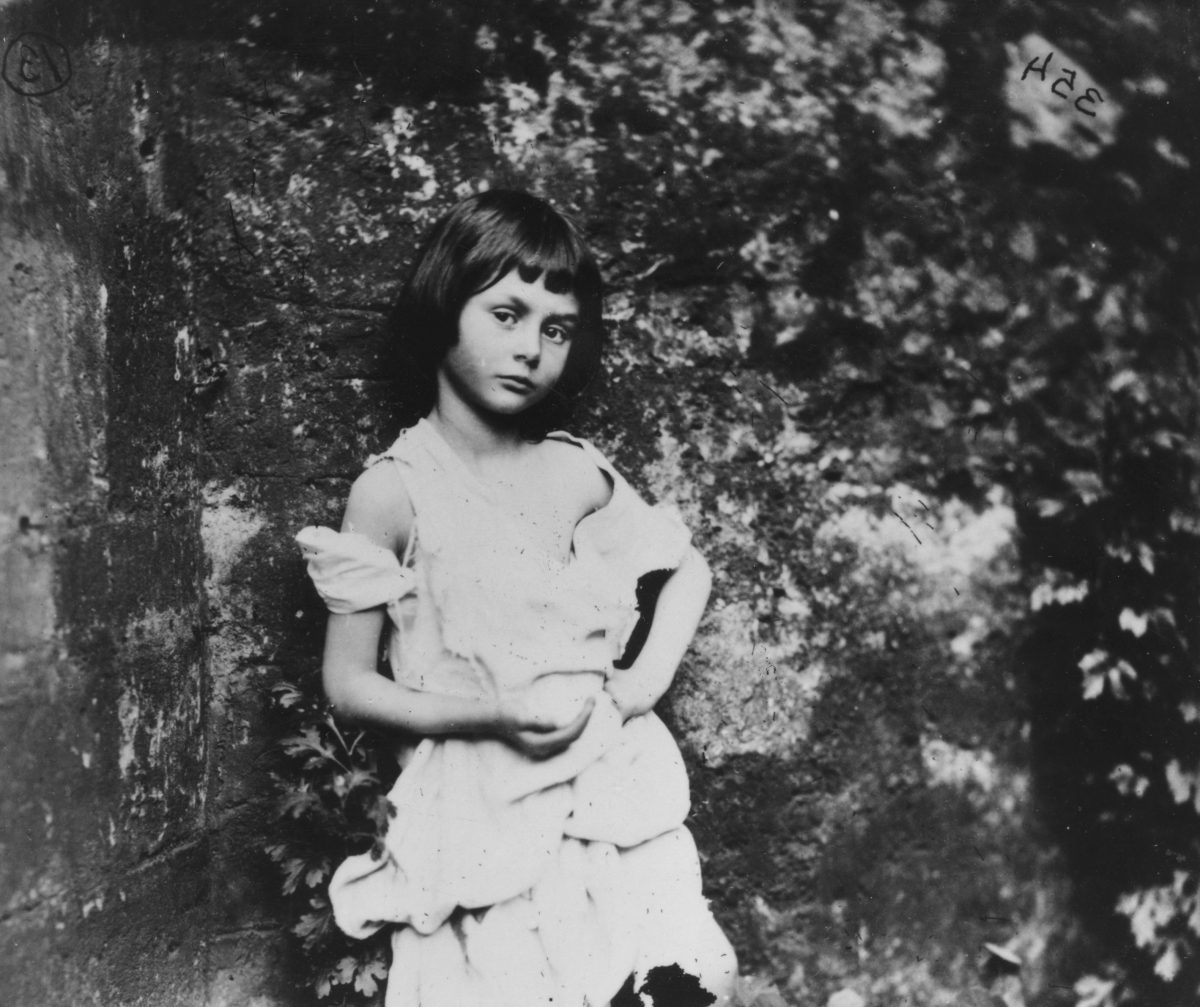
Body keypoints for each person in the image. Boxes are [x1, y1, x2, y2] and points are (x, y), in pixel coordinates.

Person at [296, 190, 737, 1007]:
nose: (531, 348)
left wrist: (641, 684)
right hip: (480, 805)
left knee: (686, 974)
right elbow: (348, 683)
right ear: (445, 310)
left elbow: (689, 570)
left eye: (557, 329)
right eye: (506, 315)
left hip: (608, 790)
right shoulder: (395, 491)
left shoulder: (572, 470)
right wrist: (491, 715)